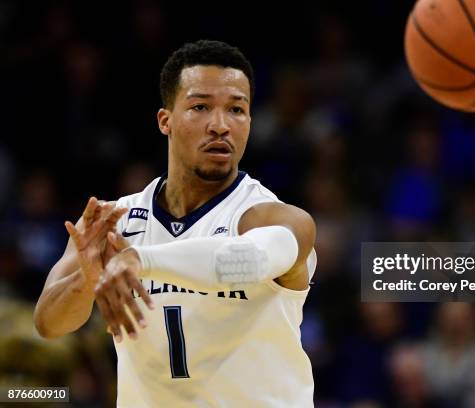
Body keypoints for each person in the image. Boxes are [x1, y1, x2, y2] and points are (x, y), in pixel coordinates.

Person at [34, 39, 317, 407]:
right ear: (165, 121)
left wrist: (140, 260)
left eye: (237, 110)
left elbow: (251, 260)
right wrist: (88, 280)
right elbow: (49, 324)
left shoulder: (274, 218)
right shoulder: (113, 222)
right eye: (200, 107)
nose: (220, 125)